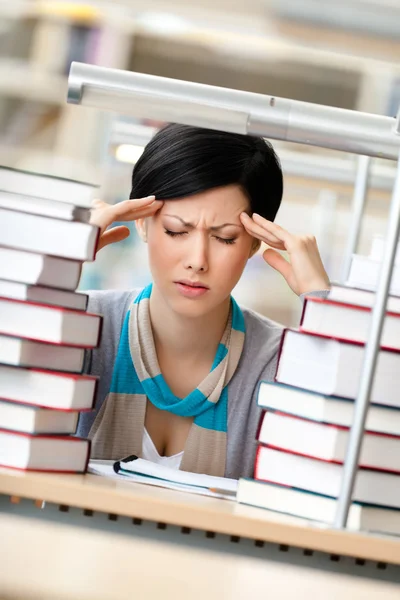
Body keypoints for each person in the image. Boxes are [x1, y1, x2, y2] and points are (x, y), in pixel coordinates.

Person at [78, 123, 330, 479]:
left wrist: (322, 305)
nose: (198, 260)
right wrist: (60, 259)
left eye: (225, 238)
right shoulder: (83, 323)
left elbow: (343, 461)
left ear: (255, 243)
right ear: (143, 224)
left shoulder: (279, 362)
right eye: (177, 231)